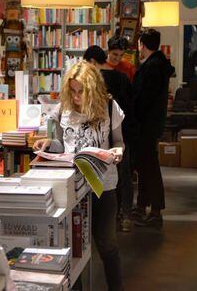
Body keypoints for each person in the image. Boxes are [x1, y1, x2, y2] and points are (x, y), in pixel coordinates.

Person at [33, 61, 125, 291]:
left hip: (104, 184)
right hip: (72, 186)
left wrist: (119, 151)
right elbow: (59, 143)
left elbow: (119, 141)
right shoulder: (63, 109)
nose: (75, 97)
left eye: (81, 91)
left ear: (92, 89)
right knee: (74, 245)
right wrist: (48, 143)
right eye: (72, 90)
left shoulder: (109, 107)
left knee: (107, 243)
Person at [83, 45, 138, 232]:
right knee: (122, 176)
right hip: (120, 134)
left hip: (100, 138)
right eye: (115, 55)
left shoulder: (91, 83)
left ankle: (98, 221)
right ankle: (123, 216)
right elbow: (131, 107)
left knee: (98, 178)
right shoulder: (122, 78)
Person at [132, 29, 175, 228]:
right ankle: (142, 206)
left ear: (143, 45)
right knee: (145, 166)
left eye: (139, 44)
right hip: (150, 124)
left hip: (145, 125)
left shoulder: (152, 68)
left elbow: (143, 98)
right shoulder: (157, 65)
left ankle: (155, 211)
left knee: (149, 168)